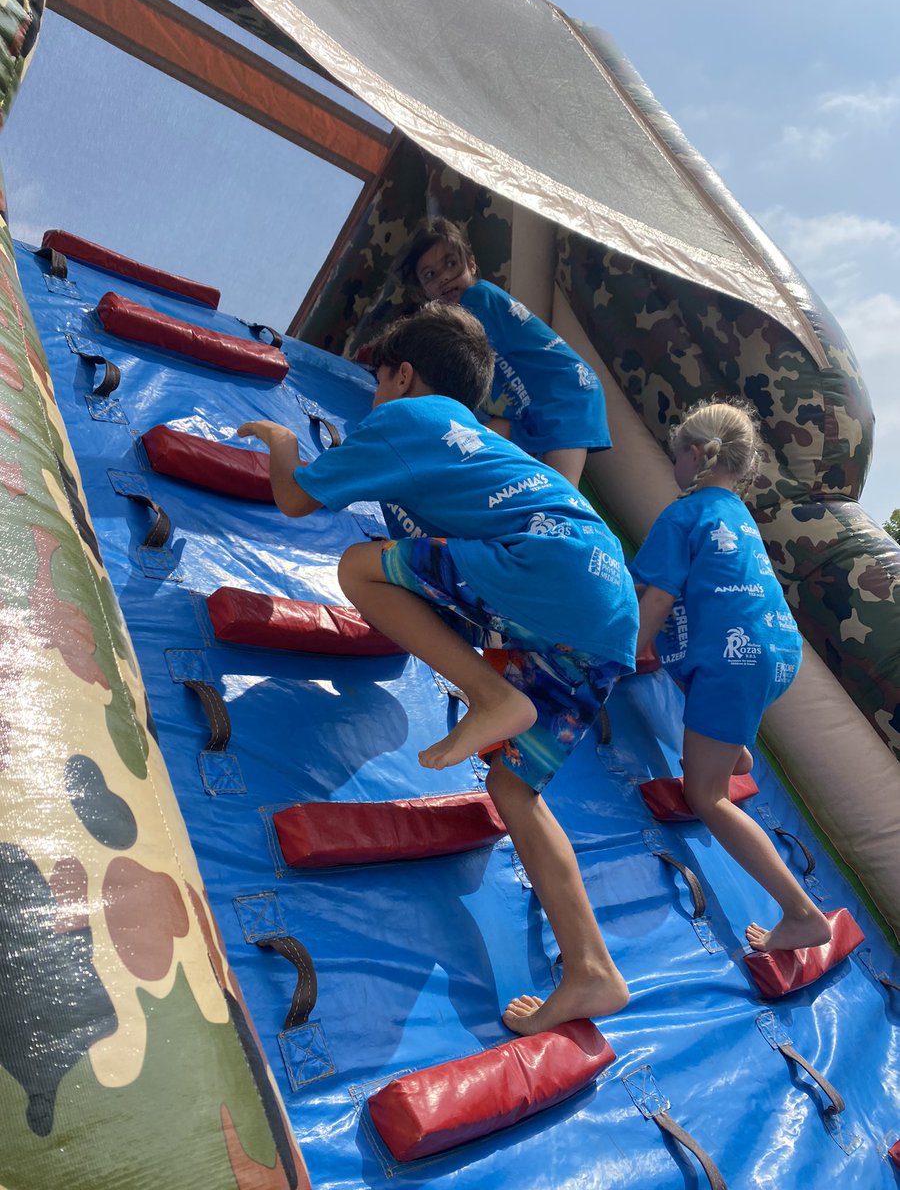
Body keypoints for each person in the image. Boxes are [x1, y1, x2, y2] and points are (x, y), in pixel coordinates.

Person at [238, 302, 639, 1034]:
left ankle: (491, 695)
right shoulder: (481, 439)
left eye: (376, 382)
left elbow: (296, 499)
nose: (373, 398)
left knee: (360, 567)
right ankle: (591, 969)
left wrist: (281, 441)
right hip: (604, 602)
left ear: (403, 374)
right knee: (514, 788)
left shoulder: (407, 418)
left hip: (548, 570)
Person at [631, 399, 832, 954]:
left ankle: (801, 914)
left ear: (694, 456)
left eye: (675, 456)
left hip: (733, 663)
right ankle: (735, 750)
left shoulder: (683, 513)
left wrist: (619, 655)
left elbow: (655, 602)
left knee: (706, 794)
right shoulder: (737, 514)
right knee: (694, 652)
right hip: (775, 650)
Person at [393, 216, 610, 488]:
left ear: (471, 264)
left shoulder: (477, 299)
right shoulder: (464, 313)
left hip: (565, 394)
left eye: (451, 264)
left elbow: (445, 358)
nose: (445, 277)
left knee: (562, 489)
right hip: (527, 407)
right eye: (430, 275)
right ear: (424, 290)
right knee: (470, 441)